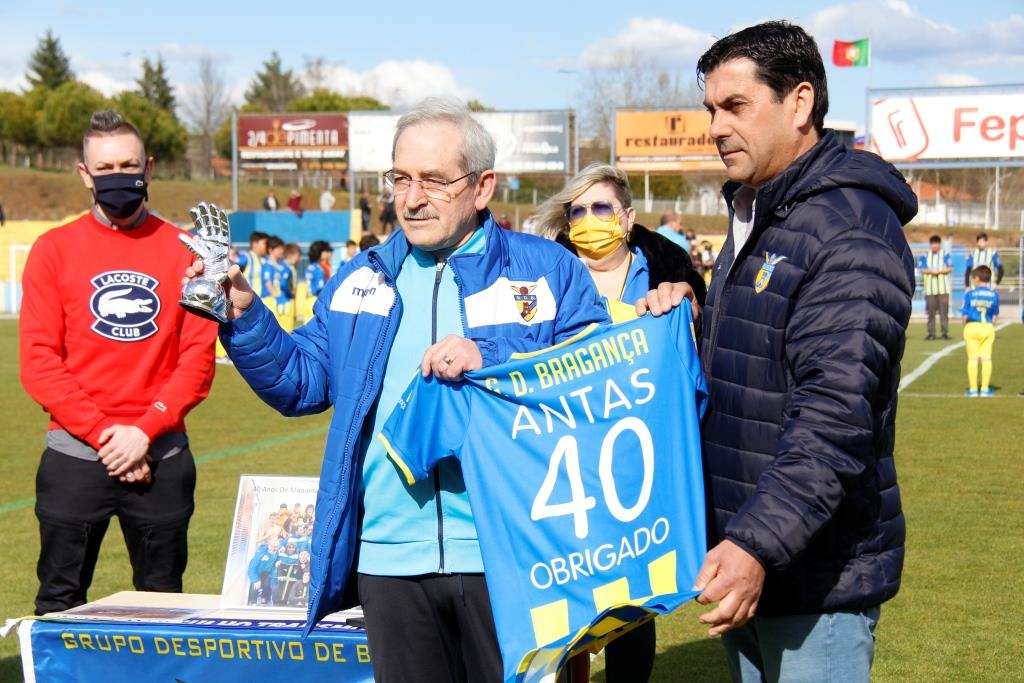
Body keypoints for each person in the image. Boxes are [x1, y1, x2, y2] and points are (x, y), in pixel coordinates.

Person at [184, 98, 607, 683]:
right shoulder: (363, 276)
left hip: (511, 554)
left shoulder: (547, 269)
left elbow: (595, 374)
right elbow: (302, 383)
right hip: (387, 562)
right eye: (400, 178)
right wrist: (244, 312)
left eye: (434, 180)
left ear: (482, 187)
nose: (411, 198)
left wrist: (494, 358)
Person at [654, 22, 916, 682]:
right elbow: (754, 372)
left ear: (799, 103)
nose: (715, 127)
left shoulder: (847, 226)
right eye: (710, 109)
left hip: (811, 576)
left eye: (735, 106)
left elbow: (835, 416)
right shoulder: (764, 212)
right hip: (757, 559)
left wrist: (755, 542)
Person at [18, 109, 217, 615]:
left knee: (163, 606)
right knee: (60, 603)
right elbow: (39, 362)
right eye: (104, 169)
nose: (118, 177)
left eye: (128, 164)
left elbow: (196, 358)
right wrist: (110, 436)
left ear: (148, 168)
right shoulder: (52, 250)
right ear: (85, 175)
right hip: (77, 456)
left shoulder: (185, 251)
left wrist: (145, 431)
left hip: (163, 455)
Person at [533, 163, 705, 682]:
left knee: (634, 596)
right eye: (577, 210)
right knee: (568, 602)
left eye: (601, 207)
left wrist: (688, 308)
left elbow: (692, 360)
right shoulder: (542, 277)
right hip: (564, 463)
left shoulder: (665, 275)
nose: (588, 219)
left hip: (638, 465)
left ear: (628, 217)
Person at [960, 265, 1000, 397]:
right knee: (986, 358)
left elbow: (964, 315)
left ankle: (972, 390)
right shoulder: (994, 294)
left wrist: (965, 326)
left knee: (972, 359)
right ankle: (984, 389)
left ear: (976, 278)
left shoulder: (970, 294)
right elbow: (994, 315)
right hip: (987, 327)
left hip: (971, 327)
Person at [919, 234, 953, 340]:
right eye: (932, 243)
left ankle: (944, 332)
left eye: (936, 243)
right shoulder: (925, 256)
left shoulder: (945, 255)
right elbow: (922, 269)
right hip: (930, 290)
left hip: (943, 289)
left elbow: (950, 268)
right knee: (931, 313)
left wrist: (939, 271)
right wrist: (931, 271)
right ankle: (931, 333)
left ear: (939, 244)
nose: (934, 245)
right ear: (930, 245)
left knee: (944, 312)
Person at [261, 236, 296, 333]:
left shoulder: (280, 265)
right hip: (271, 301)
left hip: (281, 301)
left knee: (285, 330)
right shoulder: (268, 265)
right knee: (273, 331)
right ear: (271, 250)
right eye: (279, 249)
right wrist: (276, 296)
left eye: (282, 248)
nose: (282, 251)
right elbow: (268, 283)